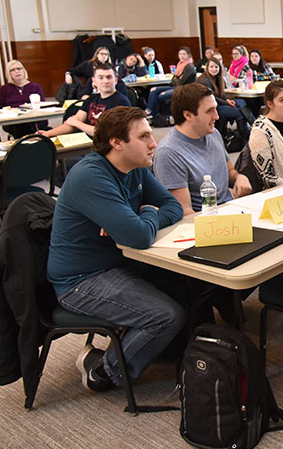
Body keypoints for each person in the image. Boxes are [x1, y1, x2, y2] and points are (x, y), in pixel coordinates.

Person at [46, 106, 186, 392]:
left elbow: (174, 208)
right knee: (166, 316)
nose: (153, 143)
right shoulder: (91, 176)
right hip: (82, 280)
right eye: (144, 136)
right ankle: (103, 371)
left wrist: (142, 216)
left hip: (120, 264)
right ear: (117, 142)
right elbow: (138, 236)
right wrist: (145, 215)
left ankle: (157, 350)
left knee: (192, 283)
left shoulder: (135, 169)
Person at [154, 83, 252, 215]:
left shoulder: (212, 134)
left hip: (230, 212)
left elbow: (229, 172)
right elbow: (185, 212)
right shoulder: (169, 153)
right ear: (188, 115)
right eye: (209, 111)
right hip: (205, 223)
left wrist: (240, 178)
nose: (216, 116)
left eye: (215, 109)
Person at [42, 62, 131, 137]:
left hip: (105, 147)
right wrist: (48, 134)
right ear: (94, 81)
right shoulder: (91, 99)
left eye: (109, 77)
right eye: (100, 78)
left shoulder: (121, 102)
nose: (105, 81)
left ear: (115, 80)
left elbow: (105, 133)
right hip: (85, 141)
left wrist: (77, 124)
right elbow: (72, 122)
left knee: (71, 158)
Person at [196, 58, 250, 138]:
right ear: (207, 68)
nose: (214, 69)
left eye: (216, 67)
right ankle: (245, 135)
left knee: (241, 102)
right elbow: (212, 98)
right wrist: (226, 102)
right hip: (212, 108)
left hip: (218, 104)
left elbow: (221, 93)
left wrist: (227, 100)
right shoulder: (204, 80)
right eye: (211, 67)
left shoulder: (217, 78)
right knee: (239, 112)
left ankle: (248, 128)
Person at [0, 60, 48, 138]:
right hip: (13, 120)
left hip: (34, 117)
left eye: (19, 68)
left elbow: (42, 105)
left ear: (24, 71)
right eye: (12, 70)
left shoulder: (35, 87)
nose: (17, 71)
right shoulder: (4, 89)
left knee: (32, 124)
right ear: (9, 74)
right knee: (21, 126)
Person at [146, 47, 197, 119]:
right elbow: (174, 79)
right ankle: (149, 112)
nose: (182, 56)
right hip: (174, 86)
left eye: (184, 54)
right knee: (153, 90)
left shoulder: (189, 66)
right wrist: (176, 79)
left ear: (188, 55)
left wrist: (175, 79)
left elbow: (180, 82)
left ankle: (153, 117)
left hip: (184, 88)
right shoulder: (180, 64)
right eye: (180, 54)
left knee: (161, 95)